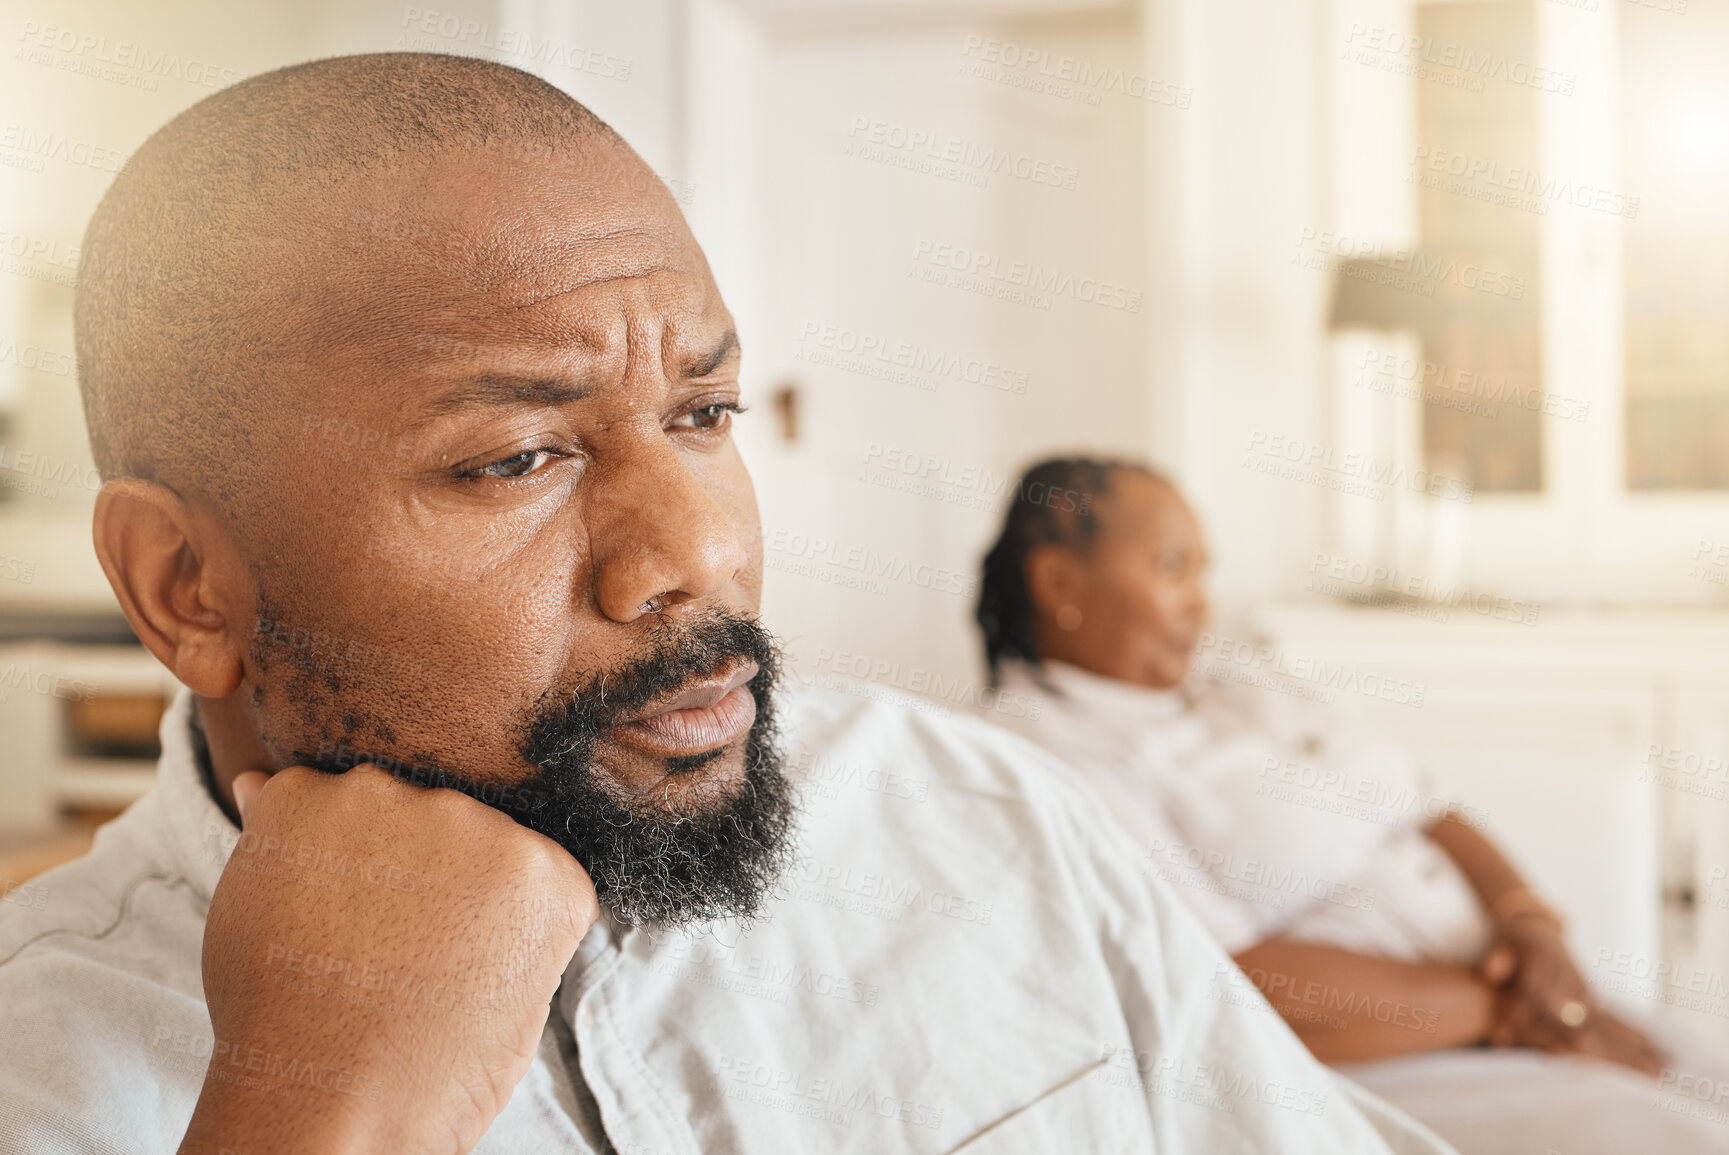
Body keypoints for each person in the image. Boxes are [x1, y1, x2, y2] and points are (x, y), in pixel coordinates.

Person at [0, 56, 1453, 1155]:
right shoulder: (45, 1065)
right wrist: (316, 1111)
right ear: (187, 586)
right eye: (518, 456)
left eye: (704, 411)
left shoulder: (968, 815)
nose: (695, 555)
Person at [975, 455, 1729, 1153]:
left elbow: (1430, 806)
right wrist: (1503, 1009)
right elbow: (1228, 978)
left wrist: (1531, 924)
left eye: (1205, 569)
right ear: (1058, 584)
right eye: (1172, 566)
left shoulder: (1234, 680)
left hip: (1521, 1010)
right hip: (1372, 1067)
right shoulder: (1043, 749)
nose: (1201, 603)